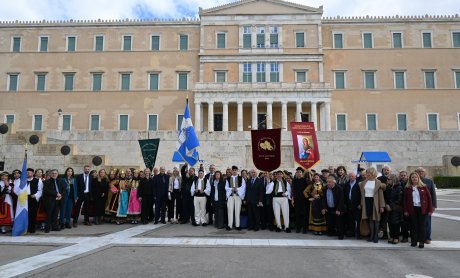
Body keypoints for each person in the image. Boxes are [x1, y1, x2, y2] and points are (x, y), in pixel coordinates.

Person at [403, 172, 433, 249]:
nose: (414, 178)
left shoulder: (423, 187)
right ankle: (414, 241)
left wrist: (430, 210)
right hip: (412, 209)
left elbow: (429, 199)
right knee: (413, 226)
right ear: (410, 179)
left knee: (422, 226)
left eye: (415, 177)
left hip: (422, 209)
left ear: (418, 178)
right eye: (412, 177)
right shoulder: (408, 188)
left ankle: (421, 242)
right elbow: (405, 200)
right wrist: (406, 210)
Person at [359, 167, 385, 243]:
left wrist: (381, 206)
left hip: (375, 201)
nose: (367, 174)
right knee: (370, 219)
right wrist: (361, 203)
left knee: (376, 219)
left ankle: (376, 236)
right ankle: (371, 235)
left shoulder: (378, 182)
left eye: (368, 173)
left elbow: (381, 195)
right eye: (367, 173)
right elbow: (362, 194)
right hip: (367, 201)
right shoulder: (364, 182)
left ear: (373, 173)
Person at [415, 167, 437, 244]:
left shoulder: (429, 181)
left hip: (427, 206)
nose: (420, 173)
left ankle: (427, 237)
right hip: (416, 206)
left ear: (424, 173)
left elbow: (433, 195)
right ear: (416, 172)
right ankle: (419, 237)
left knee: (427, 222)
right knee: (417, 222)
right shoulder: (413, 181)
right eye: (419, 171)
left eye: (422, 171)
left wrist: (433, 206)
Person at [377, 165, 398, 240]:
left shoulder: (395, 181)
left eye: (388, 170)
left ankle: (393, 236)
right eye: (385, 170)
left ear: (390, 171)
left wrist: (390, 205)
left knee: (392, 221)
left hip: (392, 205)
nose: (386, 171)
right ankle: (385, 234)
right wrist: (384, 204)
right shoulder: (379, 179)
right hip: (384, 203)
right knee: (383, 221)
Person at [225, 165, 246, 231]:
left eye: (235, 170)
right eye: (233, 170)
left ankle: (237, 225)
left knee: (237, 211)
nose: (234, 171)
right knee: (230, 211)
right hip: (231, 196)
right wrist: (231, 189)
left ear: (237, 171)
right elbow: (226, 187)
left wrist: (237, 189)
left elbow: (243, 187)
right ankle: (229, 225)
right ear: (232, 171)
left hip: (238, 196)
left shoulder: (241, 178)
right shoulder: (228, 178)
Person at [388, 171, 405, 244]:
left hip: (396, 208)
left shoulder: (399, 187)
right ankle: (391, 236)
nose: (387, 180)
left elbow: (399, 199)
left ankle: (396, 237)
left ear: (393, 179)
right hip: (389, 208)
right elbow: (387, 198)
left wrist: (391, 206)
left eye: (389, 179)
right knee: (390, 223)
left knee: (396, 223)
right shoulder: (389, 188)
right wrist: (387, 205)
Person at [343, 171, 361, 238]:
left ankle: (358, 233)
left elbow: (361, 195)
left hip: (357, 205)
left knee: (358, 220)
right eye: (350, 176)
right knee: (350, 220)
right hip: (349, 204)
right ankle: (352, 232)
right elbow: (344, 195)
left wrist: (360, 204)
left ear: (355, 177)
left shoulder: (359, 184)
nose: (351, 177)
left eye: (352, 176)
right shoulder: (346, 184)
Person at [292, 167, 309, 234]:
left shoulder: (305, 180)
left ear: (302, 173)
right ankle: (298, 228)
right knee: (297, 214)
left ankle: (304, 228)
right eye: (297, 172)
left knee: (304, 214)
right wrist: (293, 199)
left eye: (300, 172)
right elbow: (293, 191)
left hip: (304, 200)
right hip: (297, 199)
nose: (298, 173)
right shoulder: (294, 181)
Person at [26, 168, 43, 233]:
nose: (28, 173)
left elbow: (40, 190)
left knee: (33, 214)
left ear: (33, 173)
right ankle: (25, 228)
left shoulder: (37, 180)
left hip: (33, 199)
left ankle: (32, 229)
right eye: (27, 172)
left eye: (29, 172)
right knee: (25, 214)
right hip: (24, 199)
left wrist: (35, 195)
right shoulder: (23, 180)